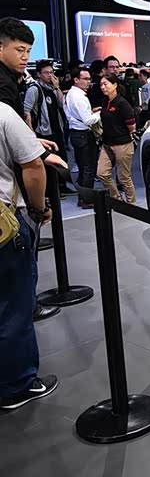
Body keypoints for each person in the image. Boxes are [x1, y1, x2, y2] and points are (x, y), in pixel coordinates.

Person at [0, 101, 60, 411]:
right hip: (4, 229)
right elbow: (33, 166)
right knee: (13, 305)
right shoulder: (2, 113)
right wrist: (39, 208)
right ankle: (16, 386)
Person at [23, 60, 69, 194]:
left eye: (51, 72)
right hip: (43, 130)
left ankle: (62, 186)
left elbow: (62, 104)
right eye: (46, 73)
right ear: (38, 74)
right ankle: (51, 190)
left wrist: (57, 88)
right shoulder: (34, 89)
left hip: (57, 128)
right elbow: (26, 111)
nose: (50, 75)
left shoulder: (52, 88)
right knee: (49, 162)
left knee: (62, 157)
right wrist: (31, 132)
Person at [64, 67, 101, 209]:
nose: (88, 82)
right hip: (84, 134)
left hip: (75, 133)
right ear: (76, 80)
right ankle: (87, 199)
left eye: (89, 79)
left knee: (83, 167)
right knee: (88, 168)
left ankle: (83, 197)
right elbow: (87, 120)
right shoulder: (79, 96)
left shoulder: (70, 94)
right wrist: (99, 114)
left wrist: (92, 112)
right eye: (85, 79)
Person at [97, 75, 136, 203]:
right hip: (107, 143)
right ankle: (117, 198)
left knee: (124, 178)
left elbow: (131, 126)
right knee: (101, 173)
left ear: (115, 85)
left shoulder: (122, 103)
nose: (103, 87)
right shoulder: (104, 101)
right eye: (101, 84)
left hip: (122, 144)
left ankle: (131, 204)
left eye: (106, 84)